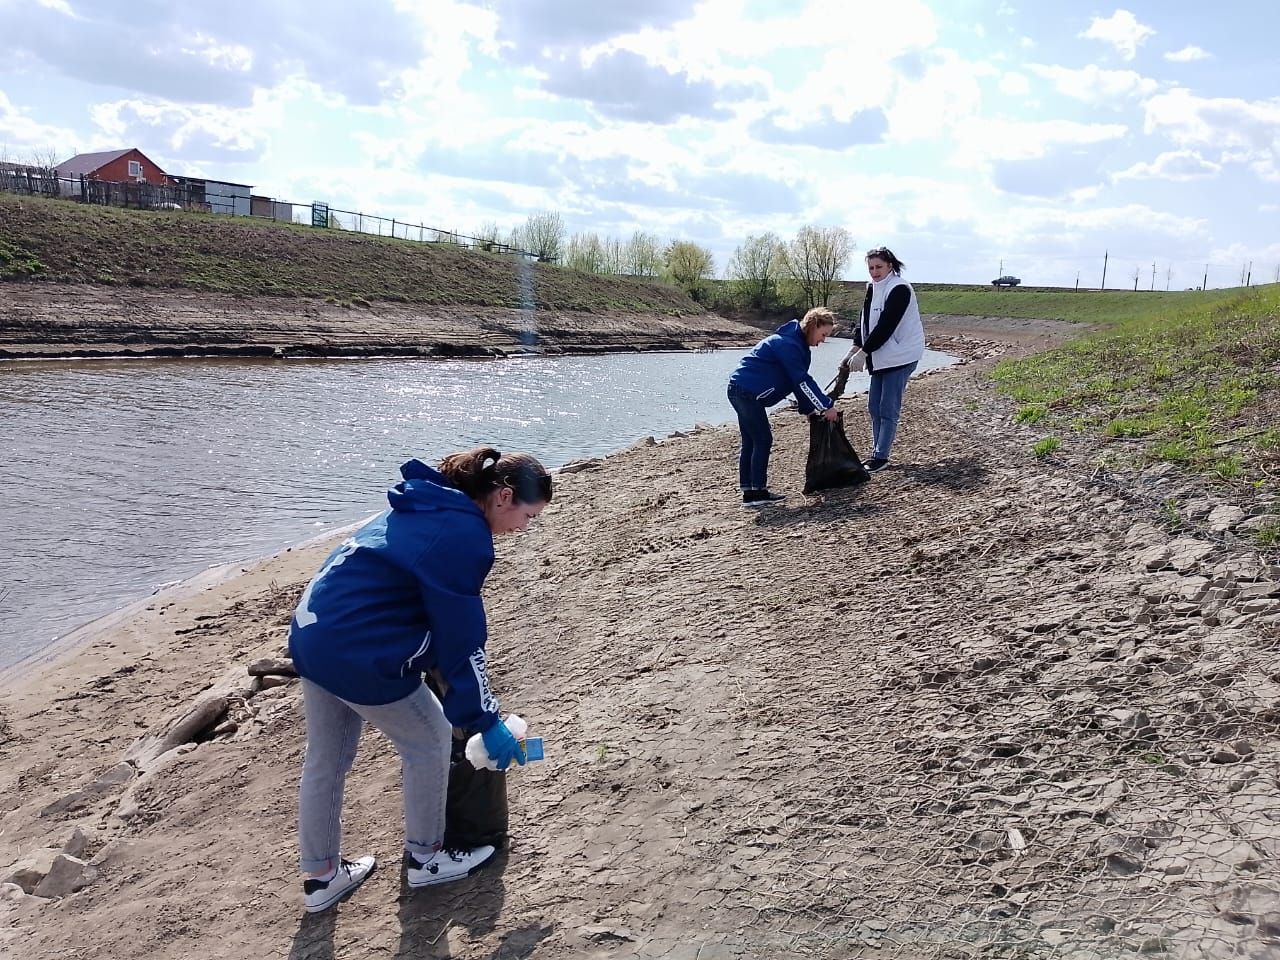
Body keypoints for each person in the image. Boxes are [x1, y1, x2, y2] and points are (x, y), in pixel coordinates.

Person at [287, 447, 552, 913]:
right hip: (357, 649)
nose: (525, 528)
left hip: (313, 633)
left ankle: (321, 878)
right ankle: (426, 859)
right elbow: (462, 638)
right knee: (429, 739)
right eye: (528, 516)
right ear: (504, 497)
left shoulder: (427, 500)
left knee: (326, 759)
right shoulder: (465, 535)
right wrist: (484, 718)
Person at [727, 307, 839, 505]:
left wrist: (809, 409)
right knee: (762, 439)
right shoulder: (788, 345)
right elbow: (802, 380)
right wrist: (826, 406)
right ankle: (758, 492)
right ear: (814, 326)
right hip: (746, 392)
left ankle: (750, 492)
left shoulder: (796, 344)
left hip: (740, 389)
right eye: (823, 334)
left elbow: (796, 383)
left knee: (751, 441)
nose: (823, 340)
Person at [841, 247, 925, 472]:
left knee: (887, 407)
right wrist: (855, 346)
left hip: (902, 354)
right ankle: (876, 451)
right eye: (871, 268)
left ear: (890, 265)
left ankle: (881, 456)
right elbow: (865, 321)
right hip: (881, 356)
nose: (874, 272)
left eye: (879, 267)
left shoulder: (900, 289)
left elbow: (886, 325)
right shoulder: (872, 287)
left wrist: (864, 352)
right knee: (873, 406)